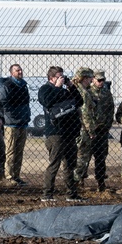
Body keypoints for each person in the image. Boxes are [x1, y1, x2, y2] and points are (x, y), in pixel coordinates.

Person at [37, 66, 85, 202]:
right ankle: (47, 194)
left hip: (69, 132)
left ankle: (71, 194)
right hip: (55, 133)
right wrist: (57, 87)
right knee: (54, 163)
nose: (62, 79)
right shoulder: (45, 89)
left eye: (63, 77)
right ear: (51, 78)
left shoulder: (64, 91)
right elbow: (47, 101)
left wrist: (70, 86)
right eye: (59, 76)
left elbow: (79, 101)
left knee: (70, 164)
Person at [74, 69, 114, 192]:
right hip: (89, 130)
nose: (101, 82)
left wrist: (107, 125)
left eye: (103, 80)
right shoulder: (87, 92)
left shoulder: (107, 94)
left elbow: (110, 110)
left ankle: (100, 182)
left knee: (101, 157)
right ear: (93, 80)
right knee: (84, 156)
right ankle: (79, 180)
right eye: (99, 80)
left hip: (102, 130)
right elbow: (84, 111)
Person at [1, 63, 31, 186]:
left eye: (20, 70)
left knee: (19, 151)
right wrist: (13, 116)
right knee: (10, 151)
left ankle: (16, 175)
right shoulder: (7, 85)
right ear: (11, 72)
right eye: (17, 70)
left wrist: (26, 116)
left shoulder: (23, 85)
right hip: (11, 123)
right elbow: (4, 103)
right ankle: (8, 176)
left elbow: (26, 103)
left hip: (22, 122)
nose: (20, 72)